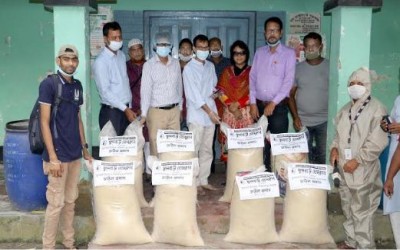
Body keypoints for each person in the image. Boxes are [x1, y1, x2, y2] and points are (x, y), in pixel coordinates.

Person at [40, 45, 92, 249]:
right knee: (55, 204)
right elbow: (44, 121)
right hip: (57, 156)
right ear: (58, 60)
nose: (71, 63)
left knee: (70, 202)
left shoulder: (77, 85)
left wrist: (85, 148)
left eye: (74, 59)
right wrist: (52, 157)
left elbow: (77, 118)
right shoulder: (49, 85)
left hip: (74, 154)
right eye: (66, 59)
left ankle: (69, 243)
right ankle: (48, 246)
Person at [330, 67, 388, 249]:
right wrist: (333, 149)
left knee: (362, 211)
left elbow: (377, 141)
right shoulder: (344, 109)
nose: (355, 87)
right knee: (347, 207)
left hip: (363, 168)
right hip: (344, 168)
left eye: (360, 83)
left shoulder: (377, 108)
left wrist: (358, 160)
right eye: (351, 83)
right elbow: (338, 136)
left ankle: (364, 246)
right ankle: (351, 241)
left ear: (368, 86)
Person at [249, 16, 296, 172]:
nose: (272, 34)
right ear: (264, 33)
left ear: (281, 33)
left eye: (275, 30)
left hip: (278, 108)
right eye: (269, 30)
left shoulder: (289, 54)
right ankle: (262, 177)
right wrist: (253, 103)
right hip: (259, 107)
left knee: (277, 146)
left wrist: (274, 103)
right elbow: (252, 78)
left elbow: (288, 82)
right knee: (259, 145)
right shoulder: (259, 53)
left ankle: (277, 178)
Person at [183, 34, 220, 195]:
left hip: (210, 114)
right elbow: (194, 96)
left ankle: (203, 180)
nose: (204, 51)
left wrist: (219, 95)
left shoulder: (210, 66)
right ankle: (193, 182)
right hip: (197, 115)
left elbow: (213, 88)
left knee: (207, 149)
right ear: (194, 49)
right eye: (200, 48)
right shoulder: (188, 69)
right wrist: (210, 112)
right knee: (195, 149)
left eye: (206, 48)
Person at [288, 32, 329, 164]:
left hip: (325, 120)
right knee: (304, 156)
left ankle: (321, 184)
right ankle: (308, 184)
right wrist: (295, 117)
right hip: (303, 121)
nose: (311, 49)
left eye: (314, 46)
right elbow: (290, 95)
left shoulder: (330, 67)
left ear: (321, 47)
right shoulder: (298, 68)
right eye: (307, 46)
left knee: (323, 155)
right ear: (303, 48)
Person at [140, 32, 182, 156]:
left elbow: (179, 87)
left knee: (174, 145)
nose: (163, 47)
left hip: (174, 110)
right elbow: (145, 90)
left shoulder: (176, 63)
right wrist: (143, 114)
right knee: (156, 144)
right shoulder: (149, 65)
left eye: (166, 44)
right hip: (156, 112)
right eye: (160, 44)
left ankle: (171, 173)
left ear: (171, 47)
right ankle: (156, 173)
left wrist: (180, 108)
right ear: (155, 46)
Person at [93, 21, 136, 136]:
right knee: (112, 151)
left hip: (125, 110)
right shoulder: (101, 62)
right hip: (112, 113)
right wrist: (125, 109)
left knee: (126, 150)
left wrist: (129, 107)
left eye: (119, 37)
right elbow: (105, 92)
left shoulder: (121, 56)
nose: (118, 40)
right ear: (105, 39)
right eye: (114, 37)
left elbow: (124, 83)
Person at [215, 40, 253, 162]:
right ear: (232, 55)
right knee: (229, 145)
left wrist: (239, 104)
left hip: (246, 114)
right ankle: (230, 175)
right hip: (229, 113)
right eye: (236, 53)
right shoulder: (226, 72)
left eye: (242, 53)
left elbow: (255, 93)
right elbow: (220, 92)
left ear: (246, 55)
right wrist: (232, 106)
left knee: (246, 145)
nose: (239, 56)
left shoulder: (252, 72)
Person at [126, 38, 151, 178]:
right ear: (129, 52)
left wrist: (145, 107)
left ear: (143, 50)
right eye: (133, 50)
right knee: (135, 140)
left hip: (148, 108)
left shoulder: (150, 66)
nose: (137, 52)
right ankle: (137, 172)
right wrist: (130, 108)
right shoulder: (124, 67)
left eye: (139, 49)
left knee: (148, 139)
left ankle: (149, 171)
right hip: (132, 110)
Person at [381, 96, 400, 249]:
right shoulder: (399, 100)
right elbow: (393, 121)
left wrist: (389, 178)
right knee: (394, 201)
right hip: (395, 154)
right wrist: (387, 126)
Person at [178, 38, 194, 131]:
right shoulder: (173, 67)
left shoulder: (195, 68)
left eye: (188, 48)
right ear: (179, 50)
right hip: (176, 109)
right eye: (183, 48)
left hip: (192, 110)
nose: (185, 51)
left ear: (192, 51)